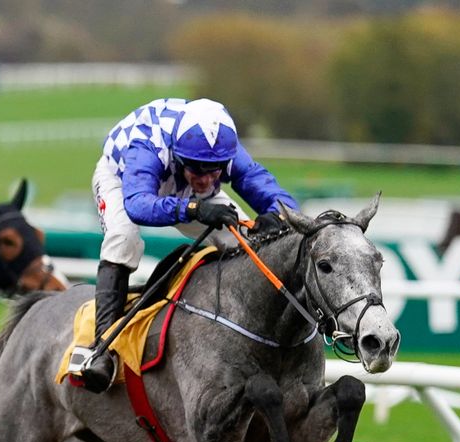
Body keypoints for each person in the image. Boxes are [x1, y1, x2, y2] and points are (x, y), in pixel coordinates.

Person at [73, 97, 299, 393]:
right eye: (198, 169)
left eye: (215, 170)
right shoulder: (148, 146)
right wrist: (194, 209)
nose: (206, 179)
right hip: (122, 180)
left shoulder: (223, 147)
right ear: (180, 157)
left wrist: (278, 215)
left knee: (247, 243)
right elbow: (138, 205)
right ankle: (103, 347)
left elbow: (262, 184)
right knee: (124, 238)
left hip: (180, 186)